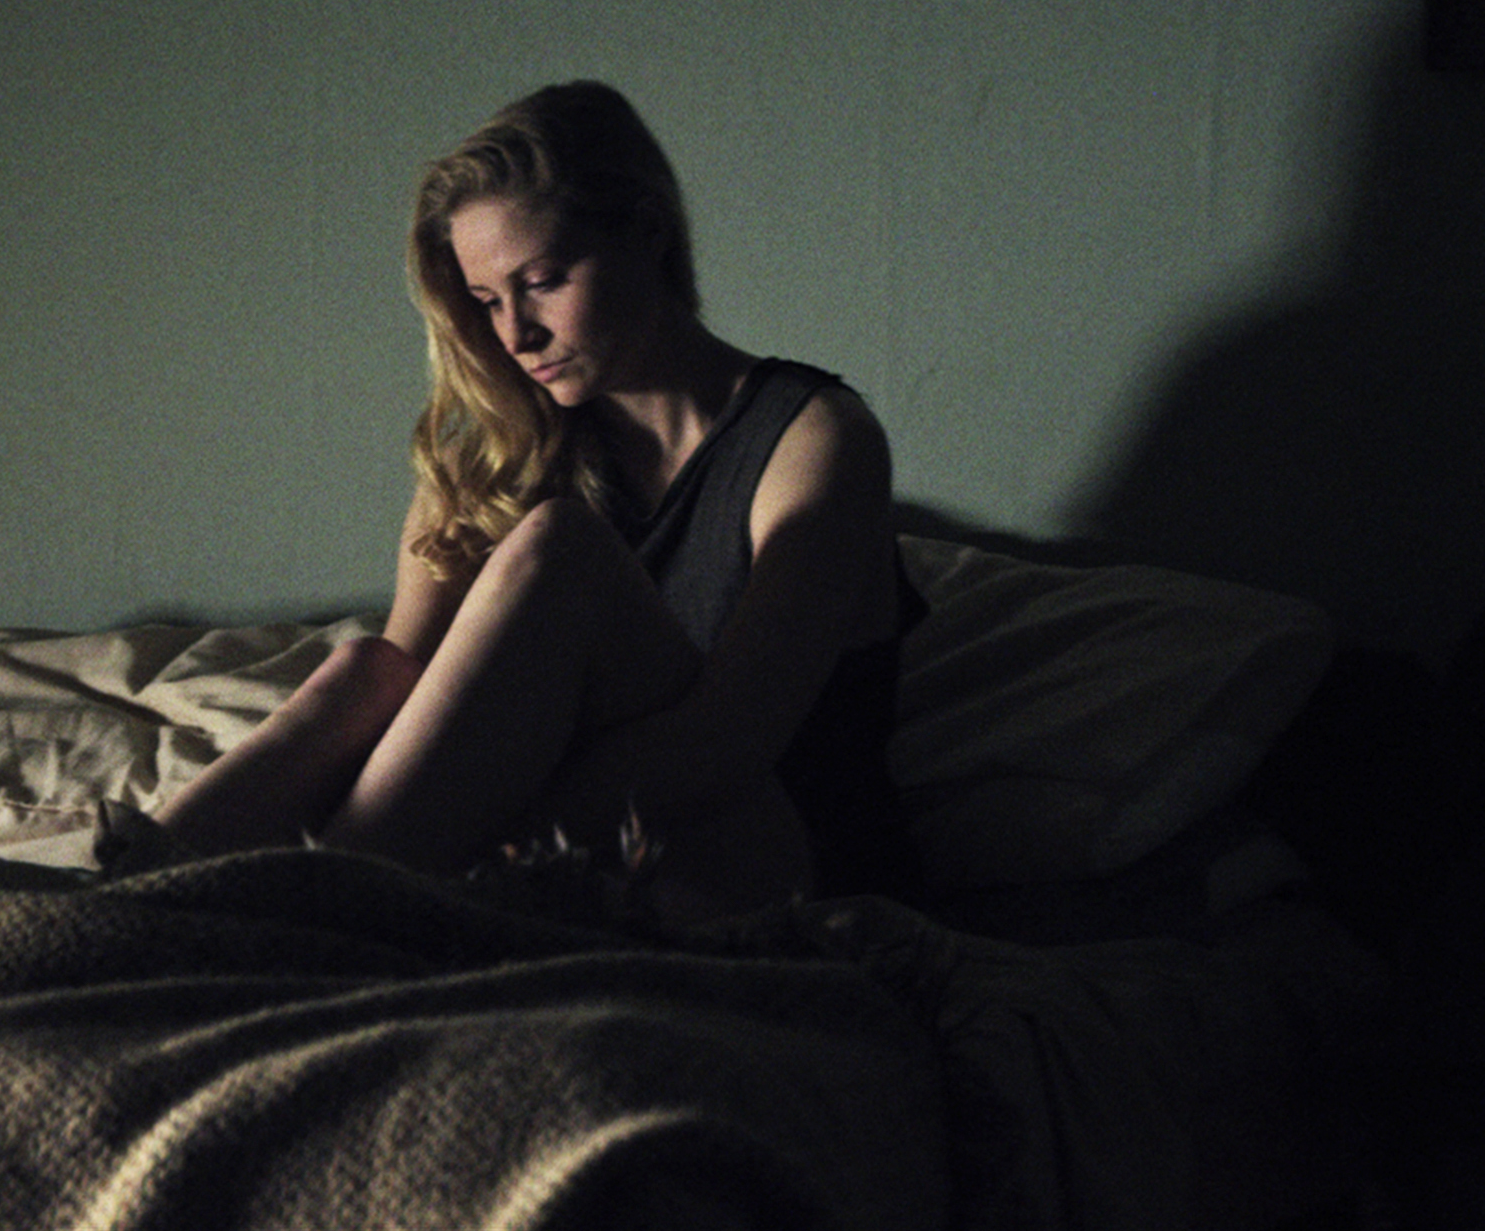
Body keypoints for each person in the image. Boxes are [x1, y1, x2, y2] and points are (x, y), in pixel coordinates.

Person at [153, 81, 919, 918]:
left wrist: (476, 851)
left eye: (543, 281)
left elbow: (724, 744)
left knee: (561, 551)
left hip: (776, 870)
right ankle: (120, 901)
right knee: (368, 668)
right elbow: (399, 703)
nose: (516, 335)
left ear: (647, 233)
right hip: (551, 863)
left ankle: (335, 911)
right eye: (487, 302)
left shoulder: (814, 437)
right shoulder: (497, 452)